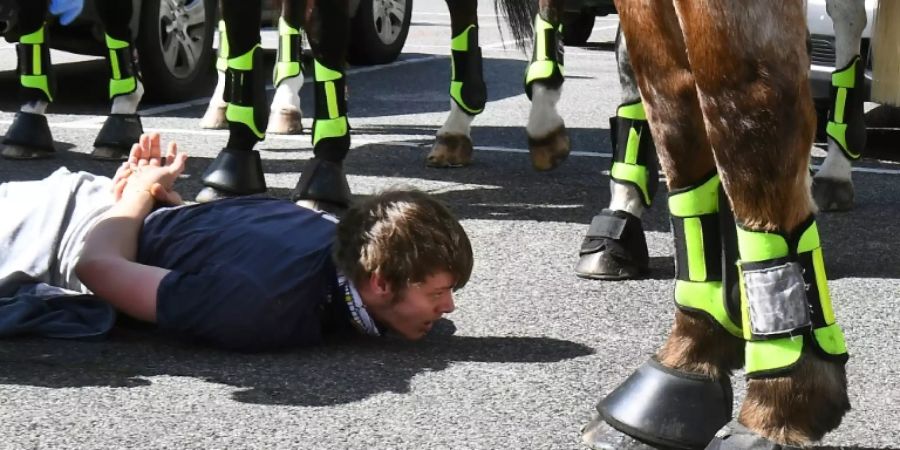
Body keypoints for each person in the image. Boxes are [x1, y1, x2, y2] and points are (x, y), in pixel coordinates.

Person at [0, 133, 473, 351]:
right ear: (379, 281)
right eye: (436, 293)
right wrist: (141, 192)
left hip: (93, 204)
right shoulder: (263, 306)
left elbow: (208, 230)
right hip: (44, 233)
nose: (449, 308)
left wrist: (148, 196)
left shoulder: (331, 230)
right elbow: (97, 267)